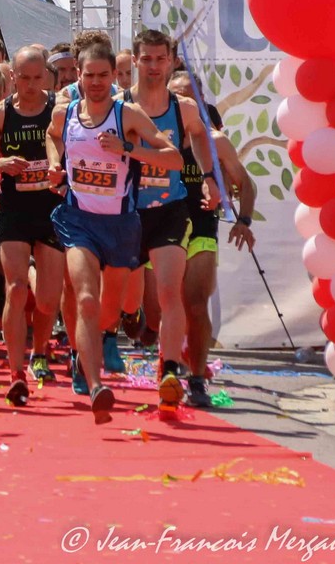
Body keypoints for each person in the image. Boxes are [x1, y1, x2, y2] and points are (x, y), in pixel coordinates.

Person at [45, 43, 182, 424]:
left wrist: (129, 148)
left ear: (114, 77)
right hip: (78, 220)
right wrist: (56, 164)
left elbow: (174, 157)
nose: (96, 83)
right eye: (88, 75)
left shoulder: (129, 115)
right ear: (79, 76)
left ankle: (92, 346)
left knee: (107, 313)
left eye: (103, 75)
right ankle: (94, 385)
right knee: (86, 299)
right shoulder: (67, 111)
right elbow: (52, 136)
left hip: (121, 226)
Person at [121, 29, 220, 408]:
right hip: (127, 211)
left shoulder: (184, 108)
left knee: (170, 292)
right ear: (135, 61)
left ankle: (174, 373)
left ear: (172, 61)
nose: (153, 66)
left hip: (171, 209)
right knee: (128, 301)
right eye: (146, 58)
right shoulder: (120, 105)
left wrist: (209, 178)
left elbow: (199, 137)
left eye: (160, 59)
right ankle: (127, 321)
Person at [169, 70, 256, 407]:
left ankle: (195, 379)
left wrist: (244, 220)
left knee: (195, 302)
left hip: (202, 227)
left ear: (202, 101)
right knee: (164, 305)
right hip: (162, 228)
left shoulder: (215, 140)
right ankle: (169, 362)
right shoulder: (154, 133)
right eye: (178, 95)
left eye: (191, 95)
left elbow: (246, 184)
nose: (185, 101)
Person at [0, 47, 65, 406]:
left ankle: (41, 350)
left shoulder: (57, 111)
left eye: (38, 78)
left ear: (46, 77)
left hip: (51, 210)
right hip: (14, 211)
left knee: (48, 300)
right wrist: (1, 163)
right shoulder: (0, 115)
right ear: (13, 77)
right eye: (25, 78)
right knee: (15, 289)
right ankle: (16, 372)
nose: (32, 85)